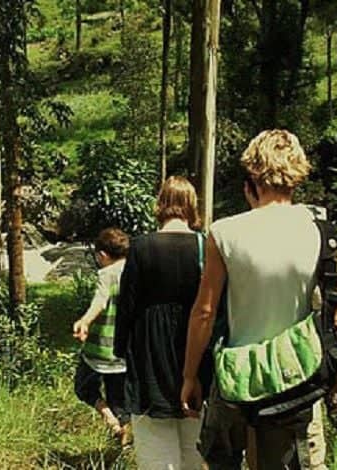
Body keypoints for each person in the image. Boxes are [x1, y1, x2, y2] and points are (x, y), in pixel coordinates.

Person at [180, 130, 337, 470]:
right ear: (298, 174)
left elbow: (204, 312)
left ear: (252, 177)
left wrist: (190, 375)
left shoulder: (225, 232)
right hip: (299, 379)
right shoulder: (321, 231)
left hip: (235, 384)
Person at [115, 176, 206, 469]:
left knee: (155, 440)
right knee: (195, 439)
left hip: (150, 349)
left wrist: (120, 349)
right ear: (191, 206)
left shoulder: (141, 247)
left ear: (161, 204)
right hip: (195, 345)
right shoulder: (205, 245)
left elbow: (126, 304)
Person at [72, 228, 131, 444]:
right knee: (119, 399)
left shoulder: (107, 274)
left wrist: (85, 320)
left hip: (99, 350)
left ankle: (109, 420)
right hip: (125, 352)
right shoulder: (136, 272)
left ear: (103, 255)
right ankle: (122, 432)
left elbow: (100, 299)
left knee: (83, 387)